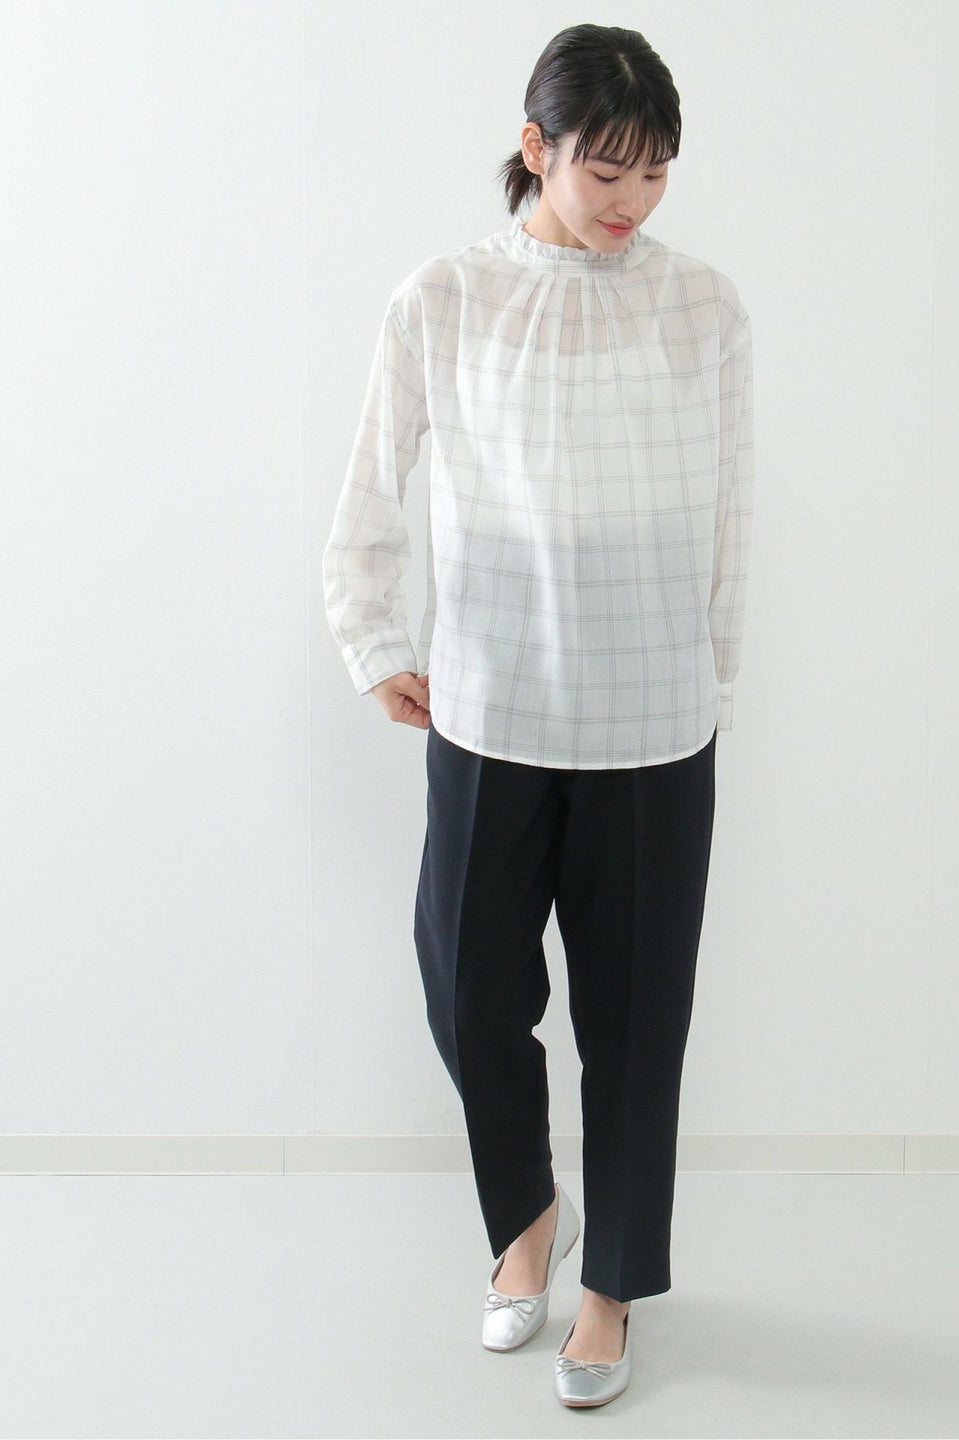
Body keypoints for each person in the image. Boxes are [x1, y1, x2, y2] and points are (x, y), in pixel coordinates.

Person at [322, 22, 754, 1410]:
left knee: (636, 1025)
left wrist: (711, 680)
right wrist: (375, 635)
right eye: (604, 171)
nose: (632, 201)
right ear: (535, 147)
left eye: (655, 173)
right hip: (490, 703)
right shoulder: (446, 298)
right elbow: (374, 483)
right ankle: (526, 1220)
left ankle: (611, 1289)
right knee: (465, 985)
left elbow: (731, 514)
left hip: (650, 723)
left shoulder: (703, 308)